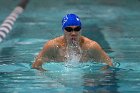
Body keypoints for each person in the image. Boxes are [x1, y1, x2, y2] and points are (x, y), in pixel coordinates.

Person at [32, 14, 113, 71]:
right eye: (69, 29)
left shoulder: (91, 46)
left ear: (81, 29)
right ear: (63, 30)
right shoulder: (52, 46)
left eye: (77, 29)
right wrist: (49, 78)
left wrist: (97, 77)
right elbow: (36, 66)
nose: (73, 33)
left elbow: (109, 64)